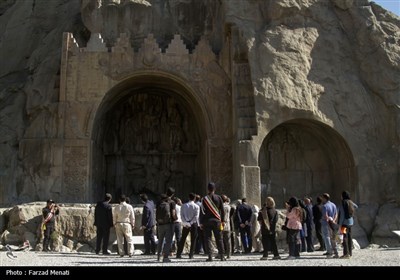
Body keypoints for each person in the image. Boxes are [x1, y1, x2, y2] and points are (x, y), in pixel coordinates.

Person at [199, 182, 225, 262]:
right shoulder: (219, 198)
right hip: (217, 221)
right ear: (215, 189)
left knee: (208, 238)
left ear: (208, 189)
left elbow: (202, 212)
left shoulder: (204, 199)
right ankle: (222, 256)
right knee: (219, 239)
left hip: (207, 221)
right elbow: (222, 211)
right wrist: (223, 221)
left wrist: (201, 222)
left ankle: (210, 256)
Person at [156, 187, 177, 263]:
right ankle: (165, 257)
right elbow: (173, 214)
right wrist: (175, 219)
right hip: (169, 224)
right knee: (168, 241)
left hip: (160, 224)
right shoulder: (172, 202)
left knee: (160, 240)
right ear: (173, 194)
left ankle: (158, 256)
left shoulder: (159, 202)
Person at [176, 193, 200, 259]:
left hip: (185, 224)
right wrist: (191, 222)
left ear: (188, 197)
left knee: (183, 238)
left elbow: (181, 215)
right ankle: (191, 254)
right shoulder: (196, 206)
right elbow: (196, 217)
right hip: (193, 224)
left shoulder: (183, 205)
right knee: (193, 239)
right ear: (194, 198)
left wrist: (186, 222)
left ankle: (178, 254)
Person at [338, 191, 358, 259]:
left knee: (344, 237)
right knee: (349, 237)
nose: (340, 197)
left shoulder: (343, 203)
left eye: (341, 195)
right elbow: (356, 206)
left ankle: (346, 254)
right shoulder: (350, 202)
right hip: (350, 223)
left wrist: (340, 225)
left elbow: (342, 216)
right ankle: (350, 253)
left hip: (344, 224)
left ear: (343, 196)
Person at [321, 193, 338, 258]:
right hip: (333, 223)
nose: (322, 199)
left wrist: (328, 220)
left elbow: (325, 215)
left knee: (326, 236)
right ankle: (334, 250)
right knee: (333, 237)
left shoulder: (325, 206)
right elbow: (336, 214)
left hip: (326, 223)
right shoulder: (333, 204)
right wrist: (333, 220)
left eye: (322, 198)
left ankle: (329, 250)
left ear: (325, 198)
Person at [221, 195, 232, 259]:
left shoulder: (221, 207)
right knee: (228, 240)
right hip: (227, 224)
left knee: (220, 239)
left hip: (221, 224)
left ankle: (221, 253)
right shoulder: (229, 206)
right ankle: (228, 254)